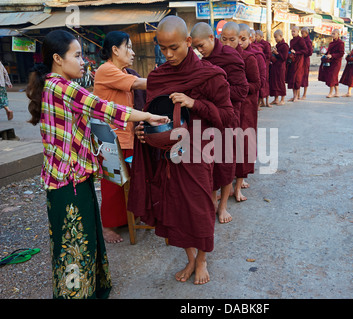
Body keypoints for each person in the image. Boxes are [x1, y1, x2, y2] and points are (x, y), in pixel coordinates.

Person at [25, 30, 169, 299]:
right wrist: (149, 115)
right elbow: (106, 108)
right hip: (68, 182)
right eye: (77, 56)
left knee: (83, 237)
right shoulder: (63, 87)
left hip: (73, 178)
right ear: (57, 58)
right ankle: (77, 294)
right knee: (74, 242)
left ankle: (92, 288)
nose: (83, 62)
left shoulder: (54, 85)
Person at [129, 16, 234, 285]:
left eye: (173, 47)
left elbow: (228, 117)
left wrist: (194, 103)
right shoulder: (157, 76)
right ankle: (189, 258)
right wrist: (143, 132)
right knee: (174, 209)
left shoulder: (210, 75)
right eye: (162, 48)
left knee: (199, 209)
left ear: (188, 42)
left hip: (198, 153)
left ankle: (201, 259)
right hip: (167, 156)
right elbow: (153, 115)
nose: (167, 55)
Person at [190, 22, 249, 224]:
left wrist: (214, 94)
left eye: (201, 45)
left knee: (225, 163)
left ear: (210, 38)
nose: (199, 50)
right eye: (196, 48)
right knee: (210, 162)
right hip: (206, 118)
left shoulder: (230, 57)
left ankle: (223, 206)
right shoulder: (201, 60)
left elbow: (242, 91)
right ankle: (213, 201)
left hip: (227, 118)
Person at [93, 31, 147, 243]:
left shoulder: (123, 71)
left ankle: (126, 218)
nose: (132, 52)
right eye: (129, 47)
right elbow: (137, 84)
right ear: (115, 50)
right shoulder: (106, 70)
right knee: (113, 184)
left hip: (126, 136)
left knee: (128, 180)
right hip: (110, 138)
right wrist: (166, 80)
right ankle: (107, 226)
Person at [234, 23, 262, 200]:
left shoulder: (251, 58)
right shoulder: (225, 57)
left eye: (241, 39)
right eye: (227, 39)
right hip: (230, 107)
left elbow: (257, 84)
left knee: (243, 144)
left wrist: (240, 87)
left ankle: (238, 185)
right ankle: (229, 184)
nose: (237, 42)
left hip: (246, 107)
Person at [318, 29, 345, 98]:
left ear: (338, 34)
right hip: (330, 62)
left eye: (334, 34)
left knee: (332, 77)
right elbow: (329, 52)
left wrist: (332, 55)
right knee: (334, 77)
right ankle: (337, 92)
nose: (332, 35)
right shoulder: (331, 43)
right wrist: (325, 55)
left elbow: (341, 53)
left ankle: (330, 93)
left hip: (336, 62)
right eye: (332, 34)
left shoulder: (341, 43)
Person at [286, 25, 307, 102]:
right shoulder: (291, 41)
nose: (293, 33)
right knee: (292, 78)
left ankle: (296, 96)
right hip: (292, 61)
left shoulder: (301, 40)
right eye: (292, 31)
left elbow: (305, 50)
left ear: (298, 32)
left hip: (299, 61)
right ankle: (293, 95)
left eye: (294, 31)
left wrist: (296, 52)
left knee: (297, 78)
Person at [269, 29, 289, 105]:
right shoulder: (277, 45)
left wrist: (276, 53)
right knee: (275, 82)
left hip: (281, 67)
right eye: (274, 37)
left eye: (276, 37)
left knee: (280, 82)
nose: (275, 39)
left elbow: (284, 57)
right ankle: (276, 99)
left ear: (281, 36)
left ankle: (282, 99)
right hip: (275, 66)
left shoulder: (285, 46)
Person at [255, 30, 271, 108]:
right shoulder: (254, 44)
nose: (255, 37)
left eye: (256, 36)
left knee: (265, 83)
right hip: (258, 65)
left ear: (261, 37)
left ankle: (267, 102)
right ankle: (261, 102)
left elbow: (268, 55)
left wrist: (260, 55)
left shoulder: (266, 44)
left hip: (265, 65)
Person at [299, 27, 313, 100]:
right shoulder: (301, 40)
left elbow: (310, 52)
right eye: (301, 33)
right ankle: (298, 95)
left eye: (303, 33)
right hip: (300, 60)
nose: (301, 35)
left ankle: (304, 94)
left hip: (305, 60)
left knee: (305, 76)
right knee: (298, 76)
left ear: (306, 33)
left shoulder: (308, 41)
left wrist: (302, 52)